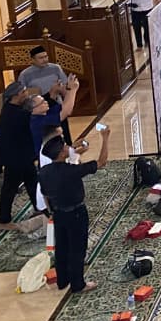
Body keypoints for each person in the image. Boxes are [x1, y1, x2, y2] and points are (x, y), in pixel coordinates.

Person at [37, 118, 110, 293]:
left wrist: (52, 212)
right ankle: (78, 284)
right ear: (61, 154)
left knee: (61, 247)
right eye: (64, 147)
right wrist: (105, 138)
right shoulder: (70, 172)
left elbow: (46, 195)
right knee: (77, 248)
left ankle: (63, 280)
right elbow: (101, 162)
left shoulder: (44, 172)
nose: (66, 148)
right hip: (76, 213)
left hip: (58, 213)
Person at [0, 81, 39, 230]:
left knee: (32, 182)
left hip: (22, 156)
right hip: (15, 158)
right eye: (24, 92)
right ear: (17, 95)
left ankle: (39, 209)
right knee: (10, 187)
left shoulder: (12, 108)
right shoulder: (14, 113)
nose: (27, 94)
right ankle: (3, 221)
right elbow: (30, 118)